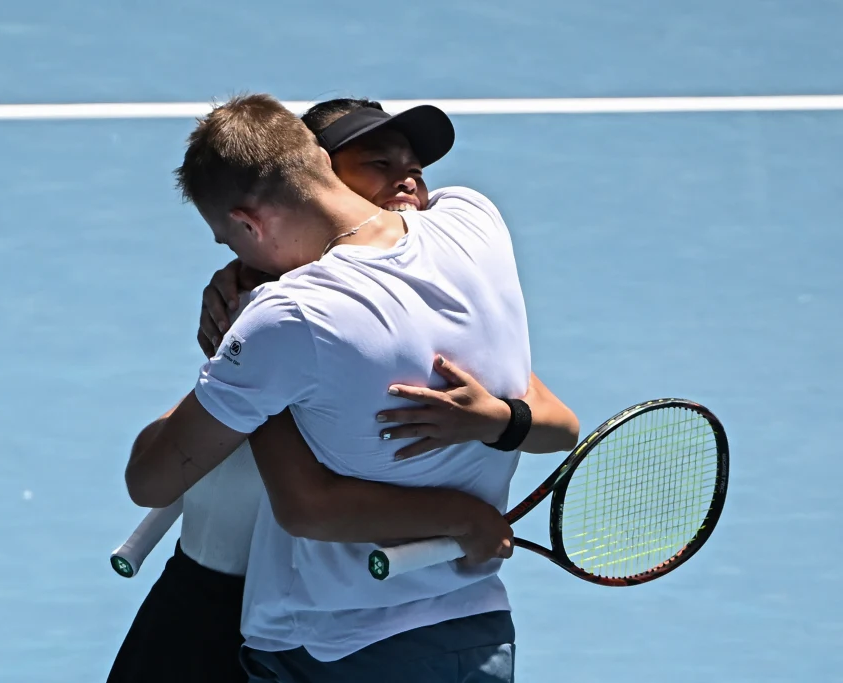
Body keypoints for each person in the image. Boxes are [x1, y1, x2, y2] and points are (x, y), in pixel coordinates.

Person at [107, 97, 578, 683]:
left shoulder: (284, 319)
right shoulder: (470, 227)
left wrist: (499, 426)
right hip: (422, 632)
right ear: (320, 170)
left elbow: (162, 477)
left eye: (415, 169)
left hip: (333, 644)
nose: (407, 182)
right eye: (376, 164)